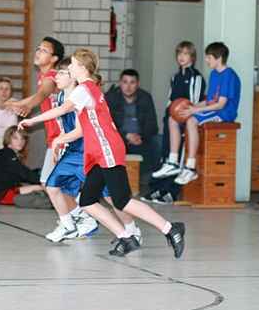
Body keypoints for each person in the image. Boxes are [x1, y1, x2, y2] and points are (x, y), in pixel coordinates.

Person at [21, 48, 186, 258]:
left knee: (122, 200)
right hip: (98, 153)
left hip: (106, 149)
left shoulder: (84, 90)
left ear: (81, 67)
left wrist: (32, 120)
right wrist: (60, 140)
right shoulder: (88, 90)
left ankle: (170, 229)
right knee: (87, 200)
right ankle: (126, 238)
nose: (69, 68)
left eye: (71, 64)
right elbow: (82, 128)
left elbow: (62, 110)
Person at [20, 59, 142, 244]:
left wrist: (58, 139)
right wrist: (59, 143)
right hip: (72, 150)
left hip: (89, 151)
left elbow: (80, 131)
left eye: (62, 73)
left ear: (73, 78)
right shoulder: (60, 97)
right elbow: (63, 126)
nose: (56, 76)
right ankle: (72, 222)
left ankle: (131, 230)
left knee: (110, 196)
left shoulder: (81, 96)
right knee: (52, 185)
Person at [155, 42, 241, 185]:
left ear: (218, 58)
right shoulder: (214, 74)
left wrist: (194, 110)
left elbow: (220, 104)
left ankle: (190, 166)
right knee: (173, 119)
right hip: (214, 108)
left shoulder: (228, 75)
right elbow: (208, 100)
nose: (206, 61)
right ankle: (173, 161)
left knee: (191, 120)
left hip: (224, 113)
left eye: (208, 57)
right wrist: (190, 107)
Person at [145, 41, 206, 204]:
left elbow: (194, 103)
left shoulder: (196, 77)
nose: (181, 57)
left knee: (179, 158)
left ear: (192, 57)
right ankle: (159, 190)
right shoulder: (175, 77)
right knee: (167, 157)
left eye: (185, 53)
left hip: (187, 122)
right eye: (179, 53)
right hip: (172, 121)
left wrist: (182, 115)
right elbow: (170, 100)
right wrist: (168, 116)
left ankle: (171, 193)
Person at [5, 36, 64, 184]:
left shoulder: (52, 76)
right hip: (55, 138)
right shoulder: (43, 76)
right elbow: (38, 95)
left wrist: (28, 106)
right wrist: (18, 103)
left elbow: (43, 94)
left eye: (44, 50)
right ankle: (78, 207)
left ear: (54, 58)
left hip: (62, 138)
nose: (38, 52)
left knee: (49, 183)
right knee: (52, 184)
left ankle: (80, 207)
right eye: (38, 48)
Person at [105, 69, 160, 186]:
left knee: (157, 142)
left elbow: (152, 125)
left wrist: (140, 137)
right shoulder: (111, 98)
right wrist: (126, 136)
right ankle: (111, 183)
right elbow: (107, 125)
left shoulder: (145, 97)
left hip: (140, 139)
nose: (128, 86)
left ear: (138, 84)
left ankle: (151, 182)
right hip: (118, 139)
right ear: (120, 83)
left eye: (132, 82)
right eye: (125, 82)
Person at [0, 126, 45, 205]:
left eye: (22, 138)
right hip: (2, 195)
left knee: (38, 185)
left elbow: (19, 174)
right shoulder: (7, 153)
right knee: (41, 188)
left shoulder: (4, 154)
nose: (20, 142)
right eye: (15, 138)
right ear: (8, 139)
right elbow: (24, 173)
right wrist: (45, 182)